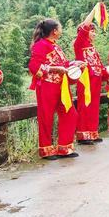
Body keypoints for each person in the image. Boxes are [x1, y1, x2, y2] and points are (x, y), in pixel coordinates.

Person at [28, 19, 80, 160]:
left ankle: (64, 148)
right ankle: (46, 150)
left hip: (62, 86)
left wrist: (75, 63)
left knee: (70, 113)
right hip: (47, 85)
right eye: (60, 28)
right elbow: (33, 66)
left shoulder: (56, 46)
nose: (61, 30)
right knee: (46, 117)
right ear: (54, 31)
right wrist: (55, 69)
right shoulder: (40, 45)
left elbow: (64, 64)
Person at [73, 7, 106, 144]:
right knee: (85, 105)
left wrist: (107, 76)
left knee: (94, 105)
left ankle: (92, 133)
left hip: (96, 79)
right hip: (86, 80)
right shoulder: (79, 44)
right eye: (91, 31)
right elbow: (85, 26)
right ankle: (83, 135)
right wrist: (94, 11)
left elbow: (98, 64)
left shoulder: (92, 48)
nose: (93, 33)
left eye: (94, 31)